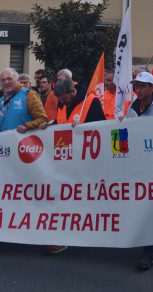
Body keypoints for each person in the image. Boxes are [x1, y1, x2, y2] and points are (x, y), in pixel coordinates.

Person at [42, 77, 105, 255]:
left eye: (64, 99)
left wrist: (84, 127)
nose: (62, 103)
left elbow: (102, 126)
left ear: (73, 91)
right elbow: (63, 121)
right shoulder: (63, 102)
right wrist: (51, 124)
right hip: (65, 158)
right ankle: (65, 235)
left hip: (85, 160)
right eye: (60, 100)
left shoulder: (91, 101)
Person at [123, 72, 153, 270]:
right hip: (137, 164)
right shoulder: (132, 107)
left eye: (143, 86)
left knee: (150, 205)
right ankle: (149, 243)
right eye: (136, 86)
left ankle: (150, 251)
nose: (139, 89)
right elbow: (125, 134)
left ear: (152, 88)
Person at [0, 68, 48, 136]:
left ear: (17, 80)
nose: (6, 82)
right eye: (3, 80)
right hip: (5, 144)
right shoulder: (0, 100)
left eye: (9, 79)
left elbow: (42, 119)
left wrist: (27, 126)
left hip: (24, 143)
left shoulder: (29, 95)